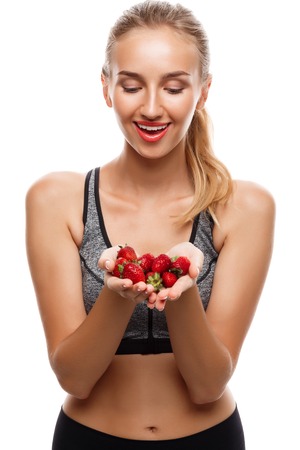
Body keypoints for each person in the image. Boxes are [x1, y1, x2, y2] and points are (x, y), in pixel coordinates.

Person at [26, 1, 275, 448]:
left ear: (203, 91)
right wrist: (117, 292)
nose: (152, 108)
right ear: (106, 88)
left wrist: (181, 292)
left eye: (175, 87)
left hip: (209, 439)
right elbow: (74, 378)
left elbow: (207, 385)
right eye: (132, 86)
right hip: (89, 438)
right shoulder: (56, 201)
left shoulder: (243, 207)